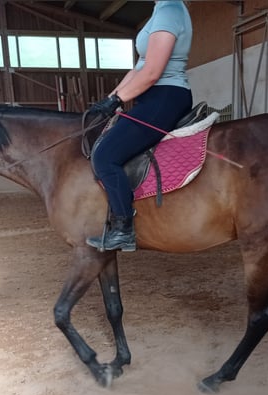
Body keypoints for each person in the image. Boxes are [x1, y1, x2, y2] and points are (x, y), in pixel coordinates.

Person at [86, 0, 193, 252]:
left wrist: (118, 100)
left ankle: (123, 229)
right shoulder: (159, 11)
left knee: (104, 156)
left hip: (165, 96)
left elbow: (153, 72)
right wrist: (110, 99)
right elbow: (139, 67)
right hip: (153, 96)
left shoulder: (170, 10)